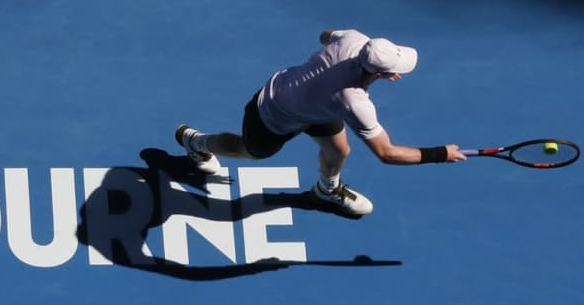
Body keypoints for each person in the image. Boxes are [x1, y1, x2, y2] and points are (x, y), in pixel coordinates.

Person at [175, 28, 466, 216]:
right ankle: (196, 142)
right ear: (382, 74)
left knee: (339, 151)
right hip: (272, 112)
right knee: (249, 151)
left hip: (315, 106)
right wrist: (440, 154)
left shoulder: (354, 38)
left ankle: (326, 191)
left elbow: (325, 35)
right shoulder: (354, 102)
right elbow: (386, 154)